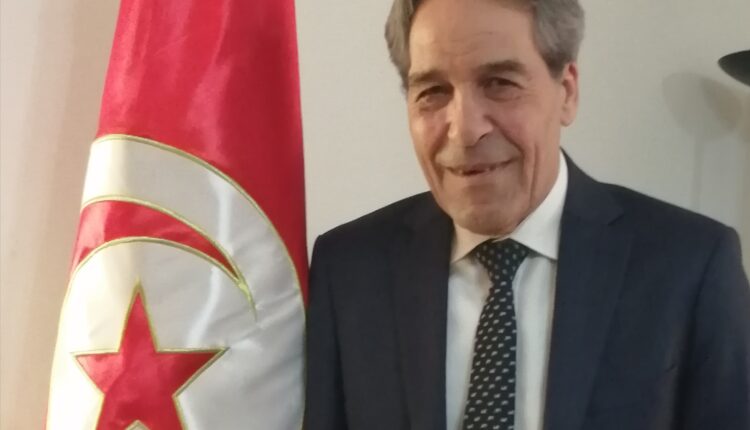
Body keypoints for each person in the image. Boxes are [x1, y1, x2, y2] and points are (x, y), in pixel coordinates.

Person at [303, 0, 750, 429]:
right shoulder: (349, 269)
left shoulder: (690, 265)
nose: (465, 129)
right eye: (433, 92)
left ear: (567, 92)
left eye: (499, 83)